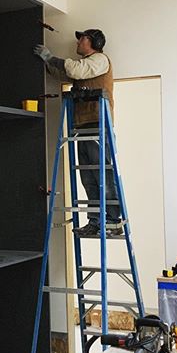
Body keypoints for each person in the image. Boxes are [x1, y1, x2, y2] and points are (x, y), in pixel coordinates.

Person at [34, 30, 122, 238]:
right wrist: (47, 63)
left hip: (99, 124)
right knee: (88, 176)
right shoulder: (83, 65)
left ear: (93, 42)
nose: (78, 41)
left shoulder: (99, 60)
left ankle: (112, 221)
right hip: (82, 125)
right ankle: (95, 221)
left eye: (82, 38)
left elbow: (77, 70)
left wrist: (50, 57)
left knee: (103, 174)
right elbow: (63, 73)